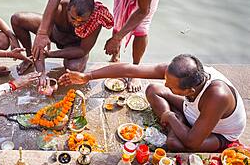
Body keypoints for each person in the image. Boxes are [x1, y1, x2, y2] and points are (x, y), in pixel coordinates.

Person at [33, 0, 165, 92]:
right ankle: (116, 58)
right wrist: (42, 33)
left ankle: (135, 69)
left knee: (141, 29)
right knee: (119, 20)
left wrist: (117, 38)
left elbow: (143, 11)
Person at [58, 54, 246, 152]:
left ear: (190, 91)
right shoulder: (184, 74)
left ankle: (175, 122)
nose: (167, 85)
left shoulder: (217, 95)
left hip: (219, 133)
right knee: (152, 90)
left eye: (172, 87)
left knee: (175, 144)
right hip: (193, 113)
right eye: (167, 80)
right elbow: (132, 70)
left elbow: (192, 142)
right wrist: (88, 76)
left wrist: (170, 117)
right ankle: (179, 122)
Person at [11, 0, 113, 89]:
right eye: (73, 18)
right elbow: (41, 39)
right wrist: (41, 74)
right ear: (67, 9)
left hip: (74, 45)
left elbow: (82, 50)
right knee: (17, 19)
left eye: (82, 22)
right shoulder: (58, 7)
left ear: (90, 16)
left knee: (74, 68)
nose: (76, 24)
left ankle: (38, 58)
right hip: (55, 33)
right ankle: (29, 58)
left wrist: (51, 54)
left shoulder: (95, 20)